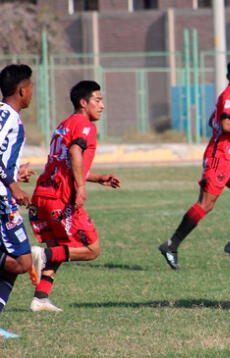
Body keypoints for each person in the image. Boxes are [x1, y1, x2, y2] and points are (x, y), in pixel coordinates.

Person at [158, 60, 230, 267]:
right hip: (218, 158)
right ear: (229, 77)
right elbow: (225, 124)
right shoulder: (228, 96)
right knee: (205, 205)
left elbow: (214, 122)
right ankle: (171, 245)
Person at [29, 80, 121, 312]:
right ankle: (39, 254)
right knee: (92, 250)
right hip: (60, 198)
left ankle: (41, 298)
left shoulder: (64, 125)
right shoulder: (85, 125)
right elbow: (74, 152)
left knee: (61, 248)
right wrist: (80, 188)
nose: (102, 105)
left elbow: (65, 164)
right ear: (83, 102)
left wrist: (97, 178)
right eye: (97, 100)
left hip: (42, 195)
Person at [0, 64, 37, 322]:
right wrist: (12, 185)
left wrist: (15, 175)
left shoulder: (11, 116)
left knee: (18, 262)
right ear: (22, 90)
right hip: (2, 198)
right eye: (32, 87)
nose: (33, 93)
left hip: (5, 194)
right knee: (22, 262)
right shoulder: (5, 115)